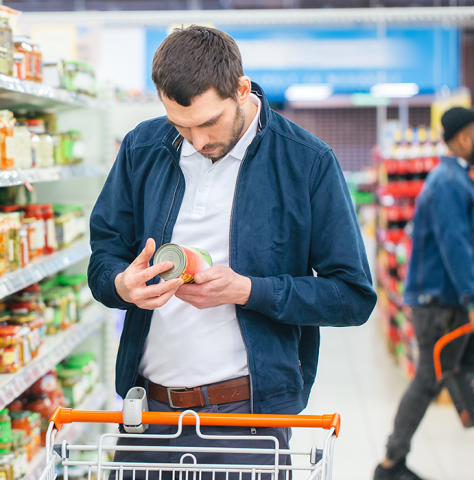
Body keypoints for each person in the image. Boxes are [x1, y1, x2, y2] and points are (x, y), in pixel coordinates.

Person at [88, 25, 376, 479]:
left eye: (207, 123)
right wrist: (120, 284)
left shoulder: (306, 162)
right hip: (148, 414)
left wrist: (248, 290)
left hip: (246, 421)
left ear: (242, 89)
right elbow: (104, 253)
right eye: (180, 125)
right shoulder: (143, 147)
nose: (197, 141)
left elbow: (353, 297)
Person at [374, 106, 474, 480]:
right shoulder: (449, 182)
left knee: (458, 369)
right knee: (429, 380)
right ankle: (390, 463)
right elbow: (456, 245)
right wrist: (471, 296)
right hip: (439, 302)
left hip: (441, 299)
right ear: (463, 137)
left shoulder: (453, 178)